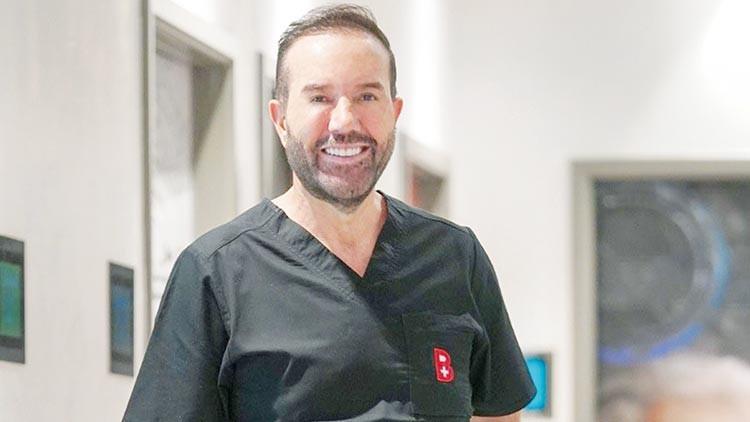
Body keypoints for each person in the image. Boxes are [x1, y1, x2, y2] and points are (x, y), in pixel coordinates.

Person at [123, 4, 535, 421]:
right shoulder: (217, 273)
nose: (344, 121)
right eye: (320, 97)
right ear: (281, 120)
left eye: (367, 96)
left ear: (394, 113)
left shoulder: (454, 257)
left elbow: (498, 413)